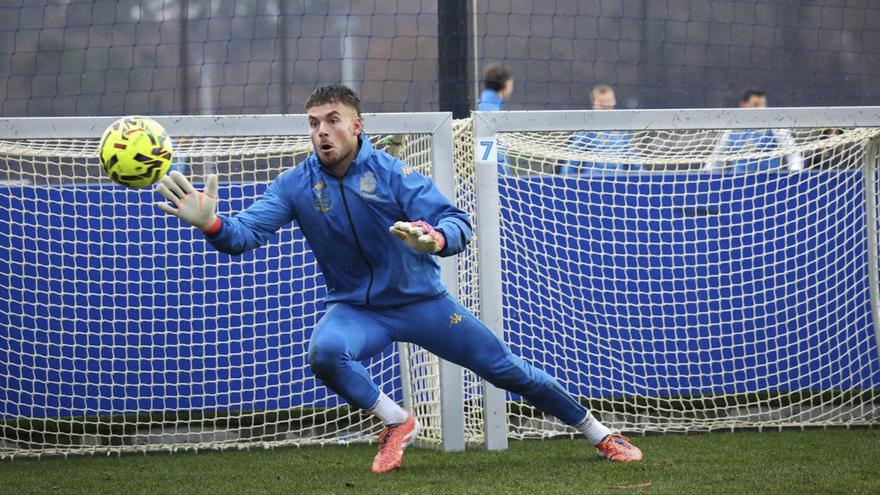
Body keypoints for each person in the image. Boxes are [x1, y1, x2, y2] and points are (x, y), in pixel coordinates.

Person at [155, 84, 642, 473]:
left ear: (356, 125)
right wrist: (211, 223)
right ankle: (397, 421)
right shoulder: (295, 183)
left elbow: (457, 221)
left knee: (505, 370)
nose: (321, 132)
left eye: (332, 121)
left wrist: (435, 240)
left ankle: (599, 432)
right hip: (357, 310)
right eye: (313, 123)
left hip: (421, 304)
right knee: (324, 352)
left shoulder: (392, 173)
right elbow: (243, 236)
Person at [704, 90, 803, 173]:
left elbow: (793, 153)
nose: (761, 109)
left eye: (763, 105)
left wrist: (795, 175)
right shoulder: (731, 130)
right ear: (743, 105)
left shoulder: (775, 127)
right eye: (756, 105)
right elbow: (716, 158)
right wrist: (709, 179)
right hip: (738, 184)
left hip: (770, 184)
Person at [558, 84, 641, 174]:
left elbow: (633, 162)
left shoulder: (621, 131)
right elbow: (572, 162)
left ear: (614, 102)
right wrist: (566, 181)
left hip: (618, 180)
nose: (605, 105)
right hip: (593, 182)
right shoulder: (587, 131)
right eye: (601, 101)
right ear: (594, 104)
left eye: (608, 101)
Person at [477, 64, 514, 174]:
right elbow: (496, 153)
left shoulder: (482, 105)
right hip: (494, 179)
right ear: (505, 83)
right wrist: (504, 177)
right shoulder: (492, 113)